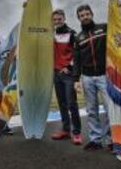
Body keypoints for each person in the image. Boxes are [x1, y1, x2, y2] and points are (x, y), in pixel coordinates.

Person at [73, 4, 112, 151]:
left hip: (105, 76)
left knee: (110, 108)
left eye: (87, 14)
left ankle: (111, 140)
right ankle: (95, 140)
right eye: (82, 15)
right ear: (79, 18)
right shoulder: (78, 37)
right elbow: (76, 60)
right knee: (91, 110)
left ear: (92, 14)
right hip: (87, 78)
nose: (85, 17)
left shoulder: (104, 28)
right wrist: (76, 79)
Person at [51, 9, 82, 145]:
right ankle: (65, 130)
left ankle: (77, 133)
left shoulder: (72, 33)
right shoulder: (51, 34)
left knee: (71, 104)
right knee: (62, 103)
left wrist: (69, 68)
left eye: (59, 19)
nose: (57, 21)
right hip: (55, 73)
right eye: (55, 19)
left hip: (68, 74)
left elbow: (78, 54)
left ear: (64, 18)